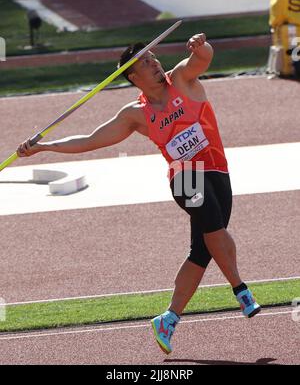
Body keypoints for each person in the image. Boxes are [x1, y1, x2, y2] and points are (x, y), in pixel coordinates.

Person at [17, 33, 261, 355]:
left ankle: (168, 318)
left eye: (154, 57)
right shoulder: (135, 114)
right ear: (134, 77)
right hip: (185, 178)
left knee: (202, 251)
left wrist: (201, 46)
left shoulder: (182, 80)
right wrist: (45, 147)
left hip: (217, 171)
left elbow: (202, 60)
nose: (155, 63)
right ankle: (241, 290)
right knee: (214, 228)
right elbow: (91, 140)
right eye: (146, 62)